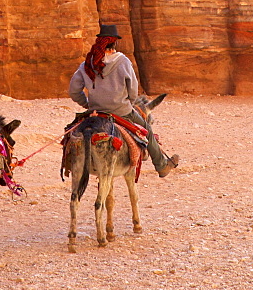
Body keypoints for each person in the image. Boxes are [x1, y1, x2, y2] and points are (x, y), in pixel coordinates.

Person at [68, 24, 179, 177]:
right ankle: (161, 166)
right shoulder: (123, 61)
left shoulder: (88, 63)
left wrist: (88, 104)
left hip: (95, 111)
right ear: (115, 42)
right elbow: (133, 90)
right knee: (147, 129)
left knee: (72, 130)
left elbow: (73, 91)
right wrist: (129, 103)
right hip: (121, 110)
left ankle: (71, 163)